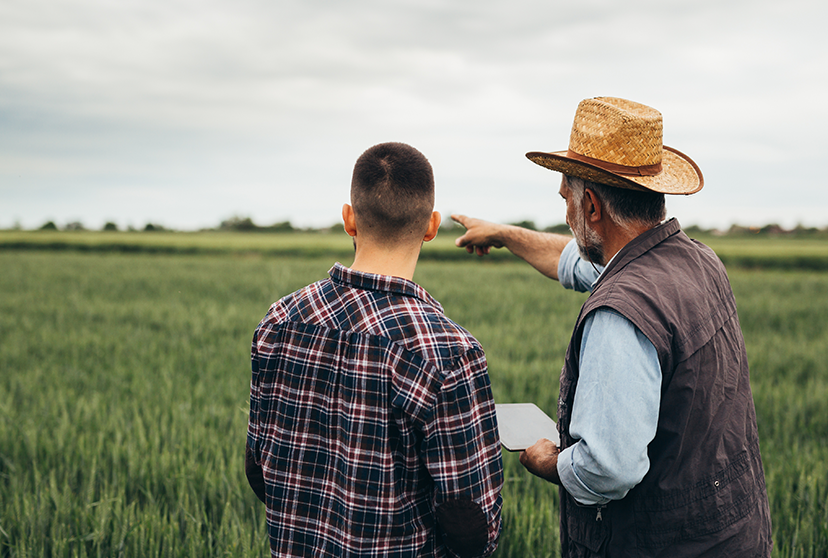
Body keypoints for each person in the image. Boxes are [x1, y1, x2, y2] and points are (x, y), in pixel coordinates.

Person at [452, 97, 772, 557]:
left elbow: (608, 470)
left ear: (593, 207)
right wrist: (504, 233)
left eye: (567, 198)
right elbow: (573, 262)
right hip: (734, 537)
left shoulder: (620, 313)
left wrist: (549, 461)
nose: (565, 213)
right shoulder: (696, 261)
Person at [245, 142, 503, 558]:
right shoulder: (450, 353)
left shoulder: (278, 322)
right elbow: (472, 526)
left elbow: (259, 470)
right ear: (431, 226)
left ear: (349, 219)